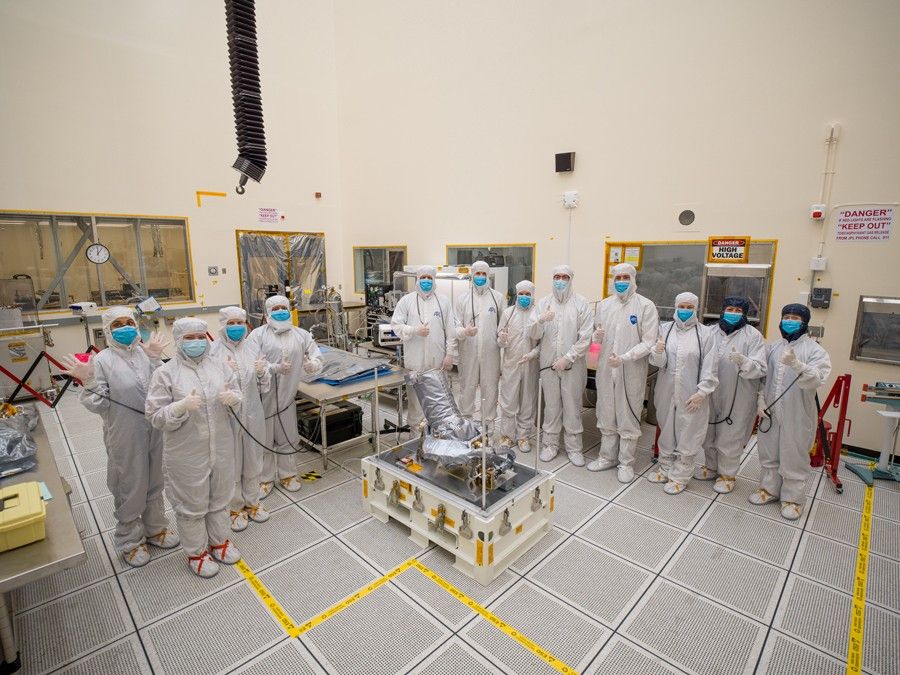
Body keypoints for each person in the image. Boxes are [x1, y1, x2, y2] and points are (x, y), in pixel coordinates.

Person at [59, 307, 178, 567]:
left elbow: (163, 389)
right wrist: (88, 381)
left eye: (129, 322)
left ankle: (156, 528)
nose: (125, 328)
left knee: (155, 479)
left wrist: (158, 362)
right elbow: (97, 404)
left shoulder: (145, 354)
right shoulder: (102, 360)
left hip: (154, 428)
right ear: (108, 330)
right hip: (124, 431)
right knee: (130, 483)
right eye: (118, 324)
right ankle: (130, 541)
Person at [145, 318, 243, 578]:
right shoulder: (166, 373)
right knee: (191, 503)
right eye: (189, 338)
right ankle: (196, 552)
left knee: (220, 496)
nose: (197, 342)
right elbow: (154, 416)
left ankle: (219, 541)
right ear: (179, 341)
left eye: (200, 336)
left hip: (221, 446)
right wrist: (179, 407)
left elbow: (236, 392)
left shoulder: (220, 367)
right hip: (186, 452)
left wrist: (234, 398)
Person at [752, 304, 831, 520]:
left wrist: (797, 365)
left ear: (804, 322)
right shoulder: (773, 348)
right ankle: (769, 490)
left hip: (798, 414)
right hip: (771, 411)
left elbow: (817, 379)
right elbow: (762, 378)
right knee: (769, 451)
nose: (789, 320)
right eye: (786, 316)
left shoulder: (815, 351)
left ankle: (792, 499)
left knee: (793, 454)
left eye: (795, 317)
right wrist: (760, 400)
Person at [587, 263, 658, 482]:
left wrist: (625, 358)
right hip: (607, 369)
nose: (621, 281)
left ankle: (626, 462)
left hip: (631, 370)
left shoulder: (646, 306)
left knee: (628, 414)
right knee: (606, 411)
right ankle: (607, 457)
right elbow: (595, 342)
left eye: (625, 277)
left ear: (633, 279)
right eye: (617, 277)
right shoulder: (604, 305)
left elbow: (649, 342)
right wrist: (595, 342)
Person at [248, 295, 323, 496]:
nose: (280, 311)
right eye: (276, 308)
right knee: (263, 440)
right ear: (267, 313)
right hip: (263, 399)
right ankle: (264, 479)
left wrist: (312, 364)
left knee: (288, 438)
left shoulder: (301, 334)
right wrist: (273, 369)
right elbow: (252, 365)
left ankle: (287, 475)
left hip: (288, 399)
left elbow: (316, 355)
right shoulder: (257, 335)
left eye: (284, 307)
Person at [648, 292, 719, 494]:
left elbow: (711, 366)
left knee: (689, 433)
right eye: (682, 306)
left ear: (695, 309)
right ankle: (665, 467)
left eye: (689, 307)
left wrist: (702, 392)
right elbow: (658, 363)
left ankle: (681, 476)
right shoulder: (664, 330)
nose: (685, 310)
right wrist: (658, 351)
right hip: (666, 391)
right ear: (675, 307)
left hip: (692, 394)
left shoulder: (705, 334)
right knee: (667, 430)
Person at [210, 306, 272, 532]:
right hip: (227, 416)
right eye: (231, 323)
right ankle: (234, 507)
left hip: (253, 413)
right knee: (232, 462)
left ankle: (253, 502)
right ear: (223, 325)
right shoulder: (213, 351)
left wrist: (263, 372)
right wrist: (225, 376)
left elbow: (264, 387)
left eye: (240, 322)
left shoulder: (252, 347)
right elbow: (208, 388)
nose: (236, 327)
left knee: (254, 457)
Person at [697, 297, 766, 493]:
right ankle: (710, 466)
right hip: (710, 390)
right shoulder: (710, 331)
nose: (733, 313)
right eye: (729, 309)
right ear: (722, 310)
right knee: (708, 430)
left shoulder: (753, 336)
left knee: (731, 434)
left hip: (739, 394)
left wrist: (744, 362)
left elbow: (761, 368)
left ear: (744, 314)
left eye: (737, 310)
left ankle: (727, 474)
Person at [530, 265, 593, 466]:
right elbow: (534, 335)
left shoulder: (582, 304)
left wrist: (568, 357)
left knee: (572, 406)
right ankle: (550, 445)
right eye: (556, 276)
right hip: (548, 364)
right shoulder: (543, 303)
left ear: (571, 279)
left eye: (564, 277)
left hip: (572, 366)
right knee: (551, 406)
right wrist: (540, 320)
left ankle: (574, 448)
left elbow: (586, 337)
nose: (560, 280)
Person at [390, 265, 455, 429]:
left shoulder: (444, 301)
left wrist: (450, 355)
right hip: (414, 363)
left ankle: (437, 434)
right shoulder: (406, 301)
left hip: (437, 362)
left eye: (429, 278)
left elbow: (451, 330)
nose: (426, 281)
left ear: (434, 280)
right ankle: (415, 436)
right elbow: (396, 325)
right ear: (417, 279)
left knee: (438, 401)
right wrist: (414, 330)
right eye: (423, 277)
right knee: (415, 402)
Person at [454, 261, 506, 433]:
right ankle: (466, 424)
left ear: (488, 275)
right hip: (467, 352)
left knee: (490, 388)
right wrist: (465, 332)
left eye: (484, 274)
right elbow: (455, 327)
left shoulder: (497, 298)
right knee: (466, 387)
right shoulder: (462, 299)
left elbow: (503, 327)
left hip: (491, 353)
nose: (481, 277)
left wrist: (503, 338)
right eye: (478, 274)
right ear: (472, 275)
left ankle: (488, 425)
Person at [497, 280, 540, 452]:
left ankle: (523, 437)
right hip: (511, 364)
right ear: (516, 294)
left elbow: (543, 343)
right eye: (521, 294)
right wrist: (503, 339)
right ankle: (506, 436)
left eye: (527, 294)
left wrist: (533, 354)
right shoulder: (508, 313)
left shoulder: (537, 314)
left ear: (532, 295)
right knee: (508, 401)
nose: (524, 297)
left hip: (530, 365)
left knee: (527, 401)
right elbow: (499, 339)